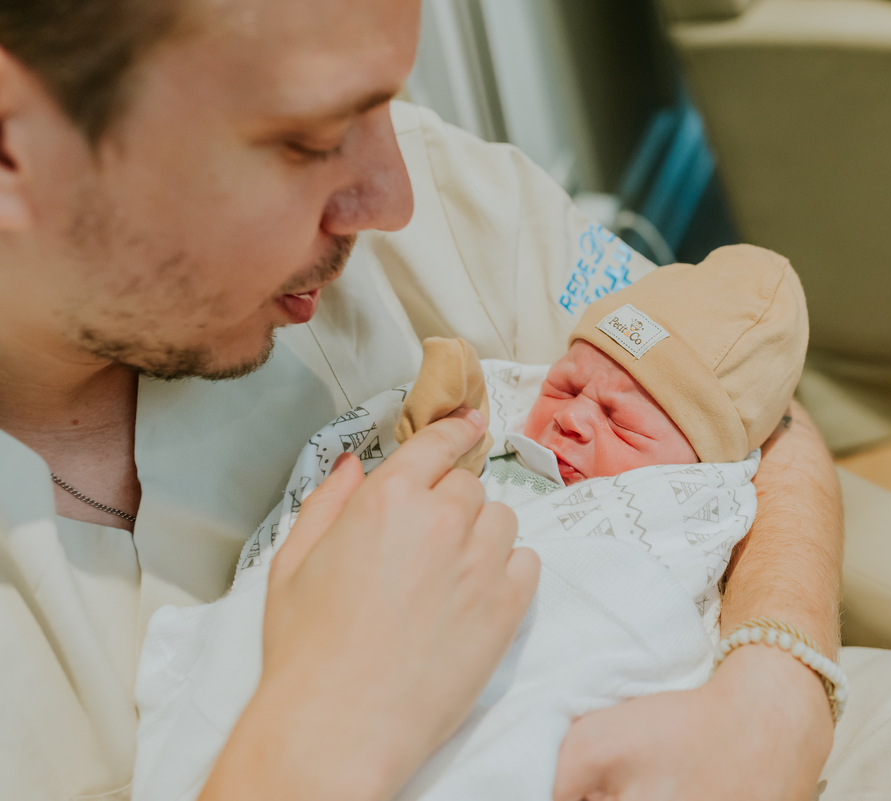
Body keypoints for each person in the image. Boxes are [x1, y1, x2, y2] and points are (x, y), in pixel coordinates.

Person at [0, 1, 839, 799]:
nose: (394, 202)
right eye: (306, 142)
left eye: (388, 103)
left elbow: (759, 410)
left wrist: (775, 703)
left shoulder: (443, 190)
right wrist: (314, 736)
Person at [132, 244, 832, 800]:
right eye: (565, 385)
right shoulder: (508, 440)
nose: (575, 415)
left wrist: (776, 704)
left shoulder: (681, 511)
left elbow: (781, 427)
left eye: (622, 419)